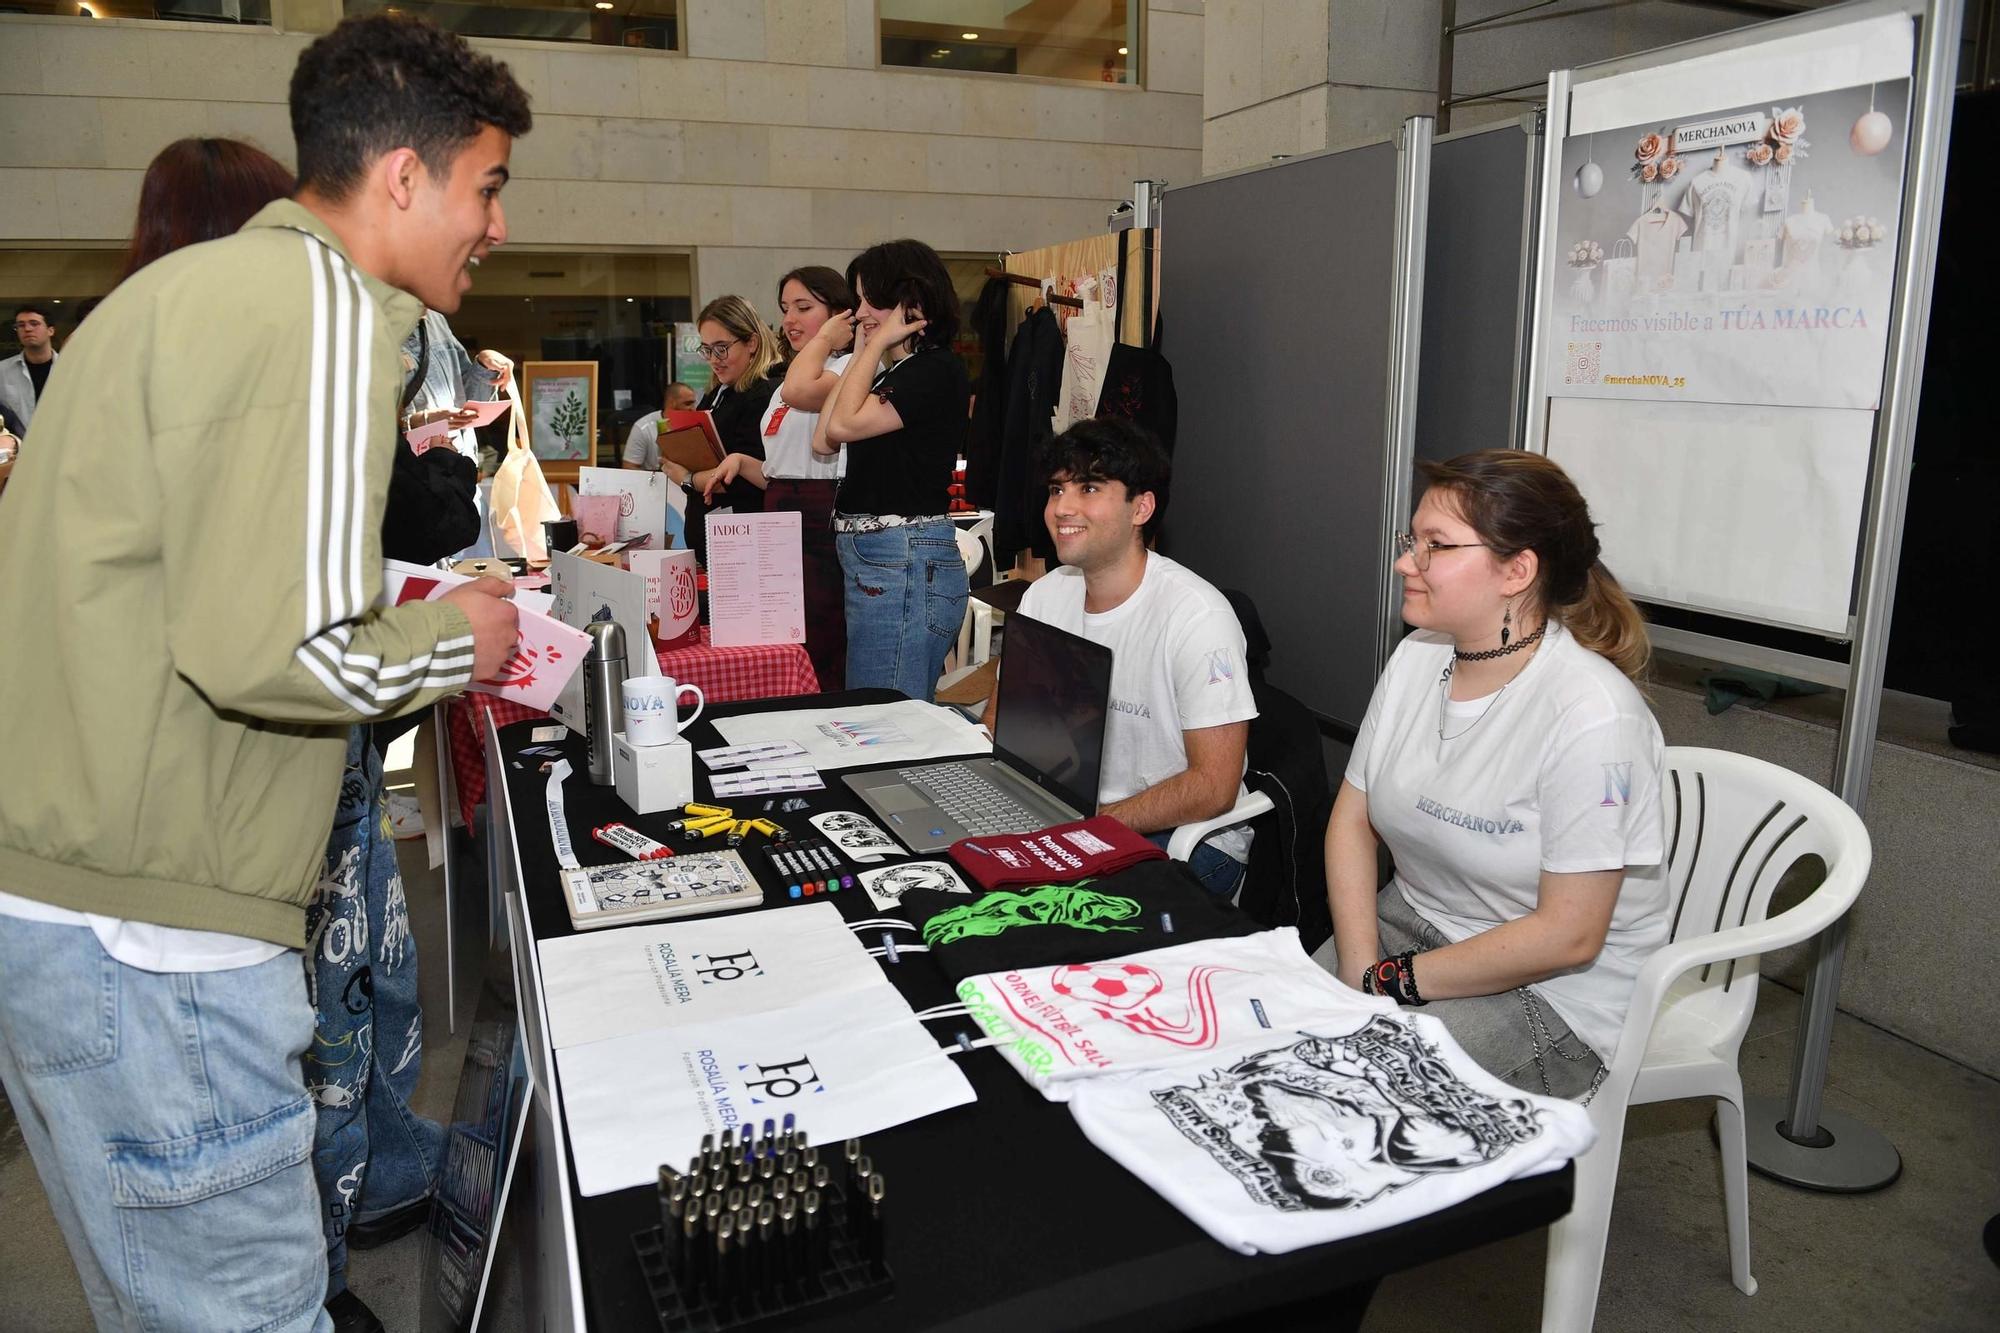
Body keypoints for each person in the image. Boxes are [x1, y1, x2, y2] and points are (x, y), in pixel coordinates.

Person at [0, 15, 529, 1333]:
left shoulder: (174, 299)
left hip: (75, 906)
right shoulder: (322, 312)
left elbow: (201, 592)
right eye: (488, 187)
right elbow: (275, 647)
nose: (497, 226)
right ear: (402, 177)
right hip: (158, 942)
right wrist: (459, 640)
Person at [1323, 449, 1666, 1102]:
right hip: (1410, 925)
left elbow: (1570, 936)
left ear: (1517, 570)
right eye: (1412, 541)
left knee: (1349, 1093)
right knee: (1265, 1035)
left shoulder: (1593, 715)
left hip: (1552, 993)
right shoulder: (1418, 656)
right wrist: (1359, 968)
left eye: (1437, 545)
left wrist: (1390, 982)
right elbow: (1352, 819)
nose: (1406, 563)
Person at [993, 416, 1258, 897]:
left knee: (1032, 915)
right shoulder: (1045, 596)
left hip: (1182, 838)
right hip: (1067, 810)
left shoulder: (1198, 616)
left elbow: (1214, 787)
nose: (1062, 507)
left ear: (1142, 508)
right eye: (1056, 490)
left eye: (1089, 488)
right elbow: (1002, 719)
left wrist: (1090, 826)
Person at [819, 238, 970, 703]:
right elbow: (823, 437)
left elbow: (840, 426)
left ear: (911, 301)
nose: (860, 312)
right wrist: (868, 348)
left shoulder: (935, 369)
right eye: (858, 299)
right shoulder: (899, 370)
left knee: (885, 714)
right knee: (876, 708)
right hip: (885, 557)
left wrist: (876, 344)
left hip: (902, 556)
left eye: (872, 300)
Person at [702, 266, 857, 689]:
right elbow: (780, 472)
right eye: (785, 309)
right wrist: (740, 461)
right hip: (781, 520)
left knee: (823, 633)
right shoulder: (789, 378)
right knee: (785, 636)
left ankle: (826, 711)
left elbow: (808, 423)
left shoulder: (850, 366)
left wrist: (827, 341)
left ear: (840, 313)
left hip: (822, 520)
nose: (789, 320)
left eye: (803, 308)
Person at [0, 304, 58, 433]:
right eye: (21, 325)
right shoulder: (2, 372)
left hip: (62, 441)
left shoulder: (70, 369)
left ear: (50, 331)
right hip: (18, 442)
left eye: (34, 323)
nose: (27, 329)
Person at [618, 378, 698, 470]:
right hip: (653, 476)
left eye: (693, 404)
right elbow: (629, 467)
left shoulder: (695, 427)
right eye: (688, 404)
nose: (693, 409)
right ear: (672, 403)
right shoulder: (643, 427)